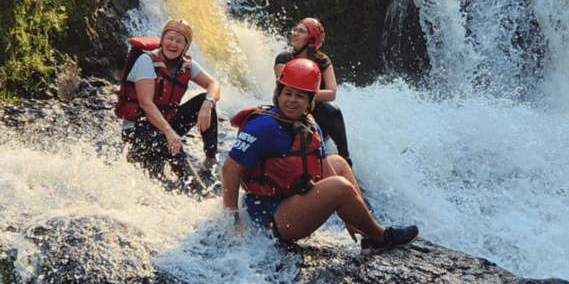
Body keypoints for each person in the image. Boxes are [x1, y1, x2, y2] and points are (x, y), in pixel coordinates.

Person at [222, 59, 418, 254]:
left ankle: (363, 227)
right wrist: (234, 222)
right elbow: (229, 168)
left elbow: (327, 171)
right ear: (278, 94)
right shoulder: (262, 127)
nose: (292, 100)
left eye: (300, 96)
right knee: (339, 187)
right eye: (287, 93)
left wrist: (352, 214)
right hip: (270, 219)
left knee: (339, 163)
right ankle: (379, 237)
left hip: (290, 203)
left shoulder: (309, 125)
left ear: (310, 101)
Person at [118, 19, 222, 193]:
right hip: (139, 131)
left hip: (164, 125)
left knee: (204, 99)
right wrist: (170, 133)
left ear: (185, 46)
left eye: (179, 41)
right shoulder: (146, 61)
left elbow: (214, 85)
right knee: (169, 143)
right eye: (170, 38)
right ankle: (198, 191)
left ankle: (211, 161)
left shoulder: (185, 64)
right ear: (162, 39)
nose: (173, 44)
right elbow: (146, 104)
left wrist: (207, 104)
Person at [274, 17, 352, 165]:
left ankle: (345, 159)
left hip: (312, 110)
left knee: (332, 111)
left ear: (311, 40)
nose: (295, 34)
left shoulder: (322, 60)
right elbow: (285, 89)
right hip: (289, 110)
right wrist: (303, 96)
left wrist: (307, 96)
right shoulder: (284, 58)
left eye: (301, 31)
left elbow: (331, 93)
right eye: (295, 30)